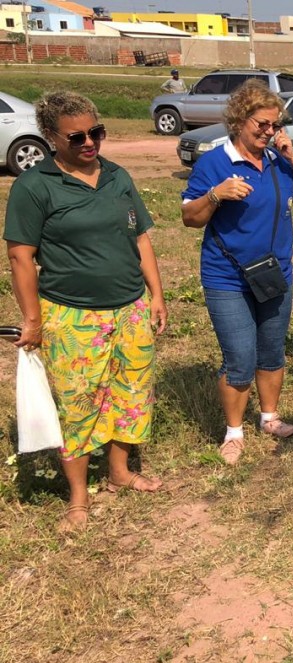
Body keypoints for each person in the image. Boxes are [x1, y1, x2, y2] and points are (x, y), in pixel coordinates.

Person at [4, 91, 167, 530]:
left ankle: (119, 472)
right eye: (77, 137)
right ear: (51, 137)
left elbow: (141, 239)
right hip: (73, 315)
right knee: (78, 405)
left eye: (96, 132)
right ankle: (78, 496)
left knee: (130, 396)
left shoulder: (117, 176)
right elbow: (21, 257)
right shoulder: (34, 186)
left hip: (130, 308)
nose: (89, 143)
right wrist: (34, 319)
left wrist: (156, 294)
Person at [181, 80, 293, 465]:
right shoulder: (214, 163)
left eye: (275, 125)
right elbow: (189, 218)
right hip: (227, 277)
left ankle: (269, 417)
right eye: (262, 124)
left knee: (272, 350)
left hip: (275, 274)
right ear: (239, 120)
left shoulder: (278, 163)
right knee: (239, 358)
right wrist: (216, 195)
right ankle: (233, 431)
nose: (269, 132)